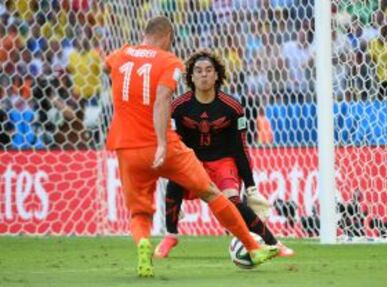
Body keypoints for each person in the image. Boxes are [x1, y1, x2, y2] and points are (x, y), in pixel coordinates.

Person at [105, 16, 278, 278]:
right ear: (167, 37)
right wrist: (162, 143)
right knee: (211, 192)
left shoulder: (121, 54)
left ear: (145, 33)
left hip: (125, 146)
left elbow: (107, 68)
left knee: (139, 211)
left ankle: (143, 245)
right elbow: (163, 98)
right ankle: (253, 247)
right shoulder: (168, 60)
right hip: (161, 145)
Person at [154, 49, 294, 259]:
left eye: (209, 70)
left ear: (217, 75)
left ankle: (274, 243)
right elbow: (175, 145)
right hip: (192, 162)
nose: (203, 75)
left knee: (234, 202)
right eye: (198, 71)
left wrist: (251, 186)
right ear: (191, 76)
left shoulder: (232, 107)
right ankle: (170, 236)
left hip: (222, 163)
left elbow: (240, 147)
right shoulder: (179, 107)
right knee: (174, 185)